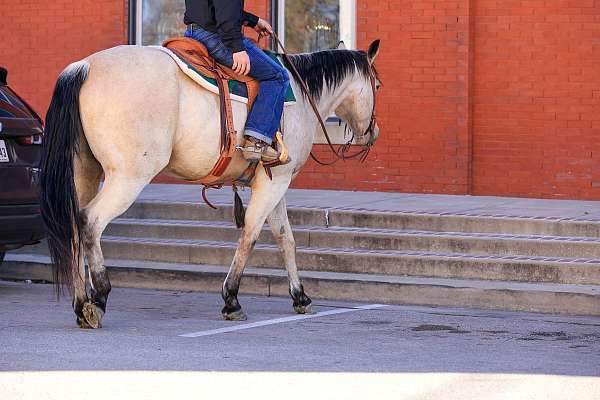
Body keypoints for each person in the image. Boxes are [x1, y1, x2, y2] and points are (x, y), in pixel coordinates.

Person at [184, 0, 290, 163]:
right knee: (278, 76)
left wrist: (254, 21)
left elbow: (215, 9)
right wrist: (237, 48)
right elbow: (225, 14)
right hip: (216, 38)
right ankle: (256, 142)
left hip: (193, 33)